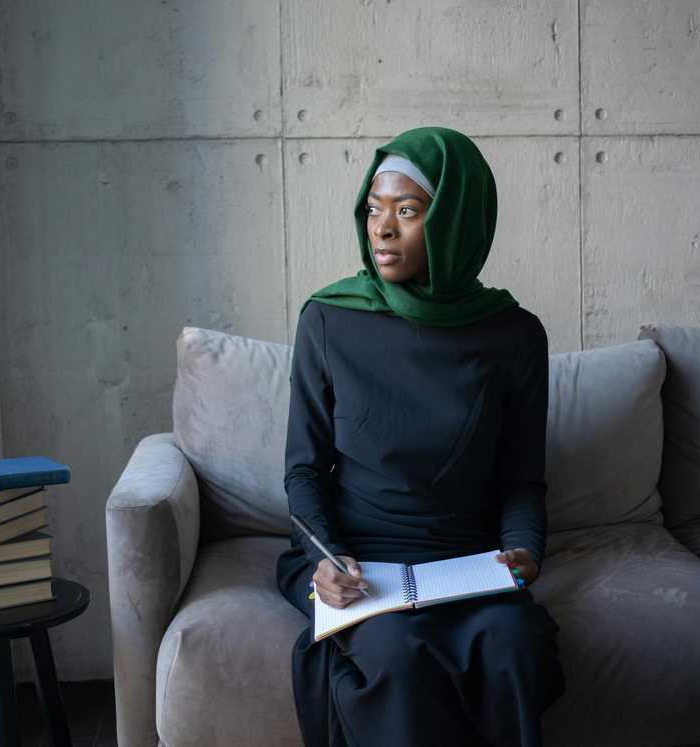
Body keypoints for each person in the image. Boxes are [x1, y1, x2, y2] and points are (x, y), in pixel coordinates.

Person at [275, 126, 567, 747]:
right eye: (374, 209)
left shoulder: (514, 336)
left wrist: (524, 551)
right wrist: (325, 561)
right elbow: (303, 471)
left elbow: (521, 479)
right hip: (360, 558)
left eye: (408, 211)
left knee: (513, 645)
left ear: (456, 221)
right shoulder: (329, 319)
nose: (382, 228)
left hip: (465, 559)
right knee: (399, 656)